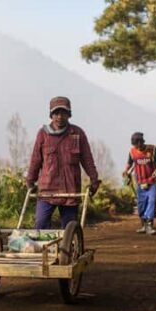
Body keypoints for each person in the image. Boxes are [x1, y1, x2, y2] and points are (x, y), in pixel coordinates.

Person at [26, 96, 100, 230]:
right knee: (40, 224)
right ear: (51, 115)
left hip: (70, 190)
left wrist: (94, 179)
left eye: (63, 113)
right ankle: (46, 249)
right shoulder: (43, 134)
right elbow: (35, 160)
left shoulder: (77, 134)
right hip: (47, 190)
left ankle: (68, 250)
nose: (60, 116)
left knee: (69, 228)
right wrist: (30, 181)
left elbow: (87, 159)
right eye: (56, 113)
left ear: (69, 114)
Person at [123, 132, 156, 235]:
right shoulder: (132, 152)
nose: (137, 147)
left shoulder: (152, 149)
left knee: (151, 201)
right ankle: (143, 226)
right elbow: (129, 163)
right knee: (141, 204)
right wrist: (126, 171)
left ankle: (150, 226)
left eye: (138, 145)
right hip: (140, 182)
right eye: (135, 145)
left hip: (152, 181)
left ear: (141, 142)